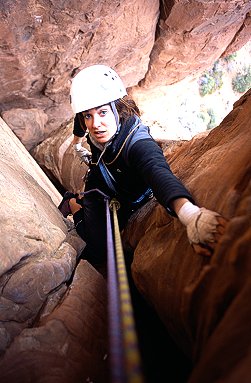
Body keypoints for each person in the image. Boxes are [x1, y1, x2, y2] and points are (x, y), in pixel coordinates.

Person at [58, 64, 226, 266]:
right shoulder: (90, 120)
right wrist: (77, 145)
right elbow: (80, 122)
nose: (94, 124)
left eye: (103, 113)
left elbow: (158, 172)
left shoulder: (138, 143)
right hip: (100, 180)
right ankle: (74, 203)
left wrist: (190, 214)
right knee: (97, 251)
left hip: (128, 190)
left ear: (117, 109)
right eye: (89, 116)